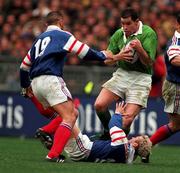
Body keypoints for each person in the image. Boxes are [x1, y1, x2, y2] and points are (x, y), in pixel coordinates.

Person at [19, 11, 121, 162]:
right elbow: (84, 52)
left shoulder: (39, 39)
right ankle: (52, 154)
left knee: (70, 113)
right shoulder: (63, 35)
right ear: (61, 21)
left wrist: (24, 86)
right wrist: (103, 55)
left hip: (35, 83)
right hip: (50, 79)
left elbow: (23, 67)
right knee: (70, 116)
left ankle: (48, 136)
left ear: (47, 25)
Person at [94, 8, 157, 139]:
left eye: (128, 24)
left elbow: (149, 63)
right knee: (99, 105)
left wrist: (139, 49)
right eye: (122, 23)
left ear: (137, 22)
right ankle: (108, 133)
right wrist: (118, 57)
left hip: (141, 78)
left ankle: (120, 145)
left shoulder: (148, 33)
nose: (124, 27)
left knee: (126, 120)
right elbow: (106, 60)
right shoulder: (118, 34)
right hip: (122, 73)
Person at [36, 102, 152, 163]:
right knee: (67, 115)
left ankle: (45, 134)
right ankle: (51, 141)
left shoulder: (123, 144)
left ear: (135, 145)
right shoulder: (129, 159)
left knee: (70, 115)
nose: (133, 137)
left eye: (137, 138)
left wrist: (117, 113)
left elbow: (113, 126)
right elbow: (143, 152)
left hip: (83, 149)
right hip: (85, 152)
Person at [147, 13, 180, 161]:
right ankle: (145, 146)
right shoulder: (175, 42)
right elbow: (175, 60)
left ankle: (146, 146)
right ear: (178, 25)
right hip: (176, 87)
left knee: (175, 125)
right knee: (175, 125)